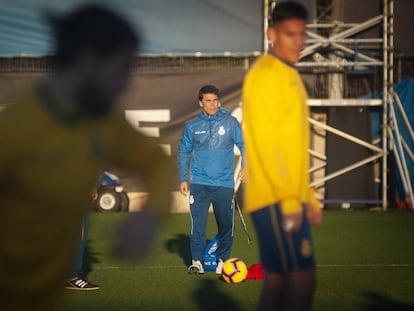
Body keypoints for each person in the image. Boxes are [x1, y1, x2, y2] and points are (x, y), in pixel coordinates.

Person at [0, 5, 173, 311]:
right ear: (86, 59)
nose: (126, 83)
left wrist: (148, 218)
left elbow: (157, 162)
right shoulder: (14, 131)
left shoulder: (102, 121)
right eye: (121, 69)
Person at [242, 2, 323, 311]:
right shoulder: (264, 76)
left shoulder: (290, 75)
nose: (298, 41)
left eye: (302, 34)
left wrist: (309, 197)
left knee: (278, 281)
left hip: (288, 197)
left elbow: (291, 150)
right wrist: (291, 202)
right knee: (302, 280)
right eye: (290, 34)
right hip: (275, 199)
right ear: (271, 33)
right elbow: (267, 146)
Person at [178, 85, 244, 275]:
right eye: (208, 100)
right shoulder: (192, 126)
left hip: (224, 184)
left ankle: (223, 261)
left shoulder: (231, 122)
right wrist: (183, 178)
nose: (212, 104)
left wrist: (246, 167)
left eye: (215, 100)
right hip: (199, 184)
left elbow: (243, 145)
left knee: (226, 225)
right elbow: (183, 151)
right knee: (197, 225)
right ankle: (196, 262)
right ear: (201, 103)